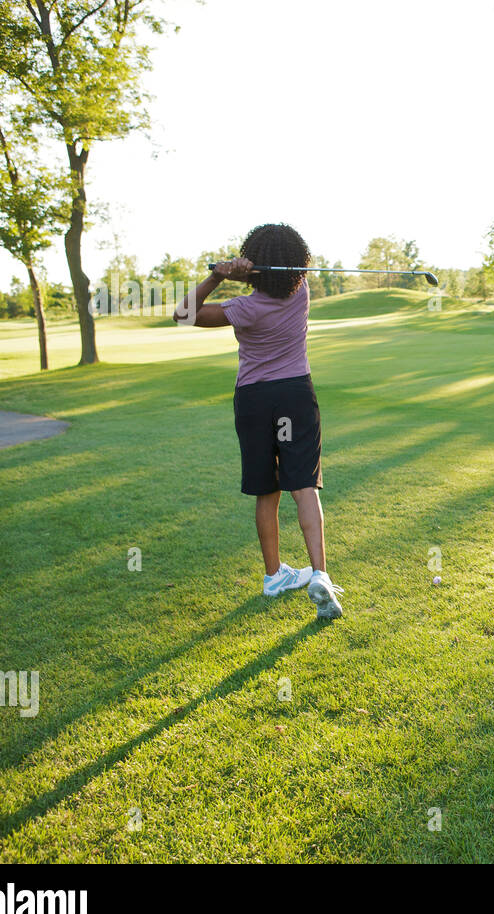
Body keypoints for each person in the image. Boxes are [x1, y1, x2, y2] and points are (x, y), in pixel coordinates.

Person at [173, 223, 344, 619]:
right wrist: (257, 272)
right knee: (304, 486)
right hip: (295, 396)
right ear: (295, 264)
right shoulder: (300, 293)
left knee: (267, 490)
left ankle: (274, 576)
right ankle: (319, 572)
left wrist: (219, 274)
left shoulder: (243, 308)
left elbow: (183, 315)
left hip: (253, 400)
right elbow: (283, 278)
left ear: (254, 264)